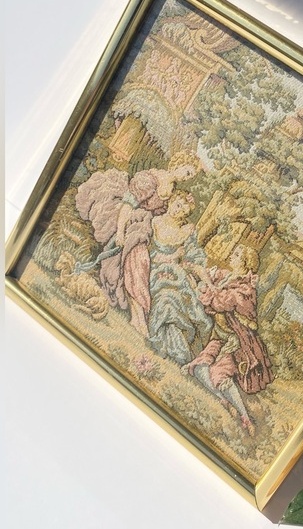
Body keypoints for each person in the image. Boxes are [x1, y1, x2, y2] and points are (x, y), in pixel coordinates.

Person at [75, 152, 201, 335]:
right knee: (139, 257)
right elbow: (128, 205)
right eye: (187, 172)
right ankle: (138, 315)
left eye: (190, 176)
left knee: (148, 261)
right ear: (178, 164)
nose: (186, 177)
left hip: (146, 229)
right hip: (130, 221)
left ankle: (141, 315)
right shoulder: (150, 179)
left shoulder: (173, 191)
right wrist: (120, 231)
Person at [183, 243, 274, 435]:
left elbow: (218, 302)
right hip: (221, 336)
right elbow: (208, 274)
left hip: (238, 344)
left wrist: (203, 286)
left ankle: (245, 417)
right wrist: (195, 269)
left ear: (246, 263)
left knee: (218, 374)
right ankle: (223, 400)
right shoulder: (228, 276)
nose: (233, 253)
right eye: (235, 251)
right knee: (199, 367)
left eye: (239, 254)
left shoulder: (244, 290)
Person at [147, 190, 213, 364]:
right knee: (166, 298)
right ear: (170, 202)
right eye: (177, 205)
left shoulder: (187, 231)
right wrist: (171, 256)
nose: (178, 211)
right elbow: (146, 250)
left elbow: (194, 259)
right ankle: (170, 343)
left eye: (183, 211)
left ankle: (179, 344)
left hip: (177, 274)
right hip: (154, 270)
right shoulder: (155, 221)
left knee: (183, 300)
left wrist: (208, 283)